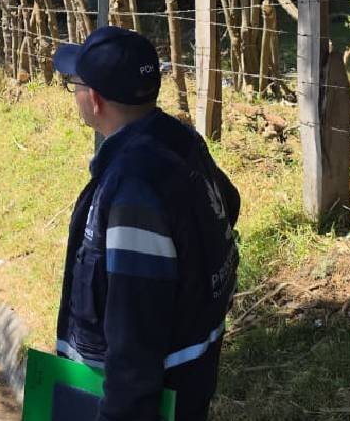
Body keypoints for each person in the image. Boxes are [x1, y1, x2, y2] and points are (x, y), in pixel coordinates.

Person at [51, 26, 240, 421]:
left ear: (95, 100)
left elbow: (134, 339)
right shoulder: (179, 139)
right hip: (193, 378)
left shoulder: (132, 191)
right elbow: (228, 203)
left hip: (147, 402)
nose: (76, 95)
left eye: (75, 85)